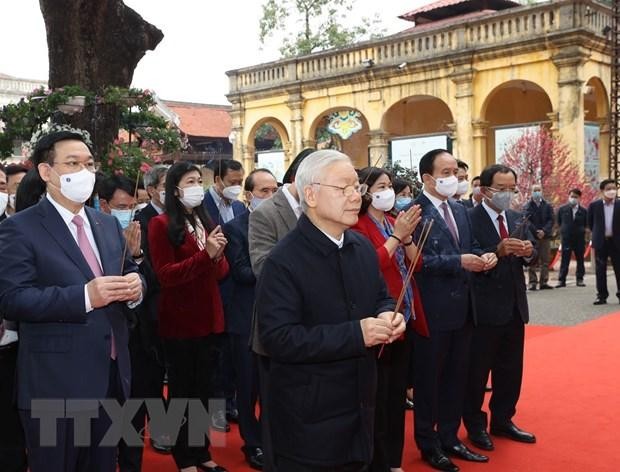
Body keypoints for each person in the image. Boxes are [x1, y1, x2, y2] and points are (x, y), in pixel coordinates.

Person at [0, 128, 143, 472]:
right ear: (46, 172)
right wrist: (84, 297)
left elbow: (127, 271)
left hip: (110, 377)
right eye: (73, 163)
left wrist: (137, 287)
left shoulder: (106, 224)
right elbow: (12, 299)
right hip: (55, 385)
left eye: (89, 164)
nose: (84, 173)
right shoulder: (21, 228)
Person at [255, 149, 406, 471]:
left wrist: (387, 315)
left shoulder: (361, 246)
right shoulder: (284, 260)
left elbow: (382, 296)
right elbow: (278, 338)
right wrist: (356, 334)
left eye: (357, 188)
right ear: (310, 194)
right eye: (344, 188)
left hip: (362, 405)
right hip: (310, 420)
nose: (356, 197)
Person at [413, 149, 497, 472]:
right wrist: (458, 262)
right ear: (428, 178)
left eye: (457, 172)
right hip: (433, 311)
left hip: (464, 310)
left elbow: (470, 247)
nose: (456, 178)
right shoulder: (414, 213)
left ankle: (450, 436)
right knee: (429, 380)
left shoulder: (460, 210)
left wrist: (485, 256)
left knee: (456, 377)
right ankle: (428, 441)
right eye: (447, 172)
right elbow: (417, 263)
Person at [148, 161, 228, 472]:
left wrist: (216, 256)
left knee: (204, 393)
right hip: (179, 322)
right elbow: (166, 275)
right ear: (176, 188)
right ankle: (185, 459)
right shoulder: (161, 224)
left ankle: (202, 452)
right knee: (182, 392)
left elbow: (221, 272)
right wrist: (204, 255)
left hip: (210, 318)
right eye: (191, 181)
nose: (198, 186)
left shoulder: (204, 220)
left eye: (199, 180)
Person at [352, 167, 427, 472]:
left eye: (389, 186)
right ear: (365, 191)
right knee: (378, 398)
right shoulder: (358, 226)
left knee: (396, 397)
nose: (388, 192)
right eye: (381, 186)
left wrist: (406, 237)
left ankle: (394, 459)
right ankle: (377, 460)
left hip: (404, 318)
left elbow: (417, 263)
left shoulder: (395, 220)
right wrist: (397, 236)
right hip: (379, 319)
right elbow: (373, 264)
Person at [248, 147, 313, 471]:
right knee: (278, 414)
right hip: (280, 330)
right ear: (301, 179)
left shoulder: (320, 210)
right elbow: (262, 268)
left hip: (319, 331)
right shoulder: (266, 214)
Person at [463, 164, 537, 454]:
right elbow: (468, 255)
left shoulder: (518, 216)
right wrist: (497, 250)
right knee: (477, 372)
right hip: (482, 308)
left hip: (514, 307)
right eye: (501, 189)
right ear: (484, 189)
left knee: (510, 370)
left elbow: (527, 256)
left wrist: (528, 252)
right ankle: (474, 424)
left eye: (511, 189)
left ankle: (503, 419)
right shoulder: (468, 218)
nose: (507, 195)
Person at [223, 168, 278, 470]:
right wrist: (279, 265)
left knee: (273, 385)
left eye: (274, 190)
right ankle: (252, 442)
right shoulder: (235, 229)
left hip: (277, 319)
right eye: (263, 192)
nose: (270, 197)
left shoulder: (287, 224)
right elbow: (243, 272)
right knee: (248, 386)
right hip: (245, 319)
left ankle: (271, 439)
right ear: (248, 196)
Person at [587, 179, 620, 305]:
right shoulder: (594, 206)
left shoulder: (619, 205)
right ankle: (601, 295)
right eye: (609, 189)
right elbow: (590, 223)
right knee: (600, 269)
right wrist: (598, 235)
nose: (612, 191)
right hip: (601, 241)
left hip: (616, 241)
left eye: (614, 188)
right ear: (602, 191)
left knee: (619, 268)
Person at [524, 183, 554, 290]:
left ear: (542, 191)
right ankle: (532, 282)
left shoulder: (548, 205)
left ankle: (544, 282)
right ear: (531, 192)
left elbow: (551, 220)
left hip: (545, 236)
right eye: (535, 190)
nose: (537, 192)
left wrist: (544, 231)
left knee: (545, 260)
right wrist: (536, 231)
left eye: (538, 190)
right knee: (532, 259)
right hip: (532, 236)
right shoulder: (527, 206)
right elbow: (526, 221)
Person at [556, 188, 587, 288]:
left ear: (579, 198)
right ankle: (561, 280)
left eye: (575, 197)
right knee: (565, 259)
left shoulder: (584, 211)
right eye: (571, 196)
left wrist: (582, 230)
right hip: (566, 238)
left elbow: (587, 224)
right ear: (568, 197)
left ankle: (580, 279)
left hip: (579, 239)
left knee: (580, 259)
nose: (573, 199)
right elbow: (559, 222)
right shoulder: (562, 209)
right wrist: (564, 231)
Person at [204, 159, 246, 225]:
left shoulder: (240, 206)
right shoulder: (201, 205)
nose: (237, 187)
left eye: (240, 182)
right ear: (218, 180)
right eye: (232, 183)